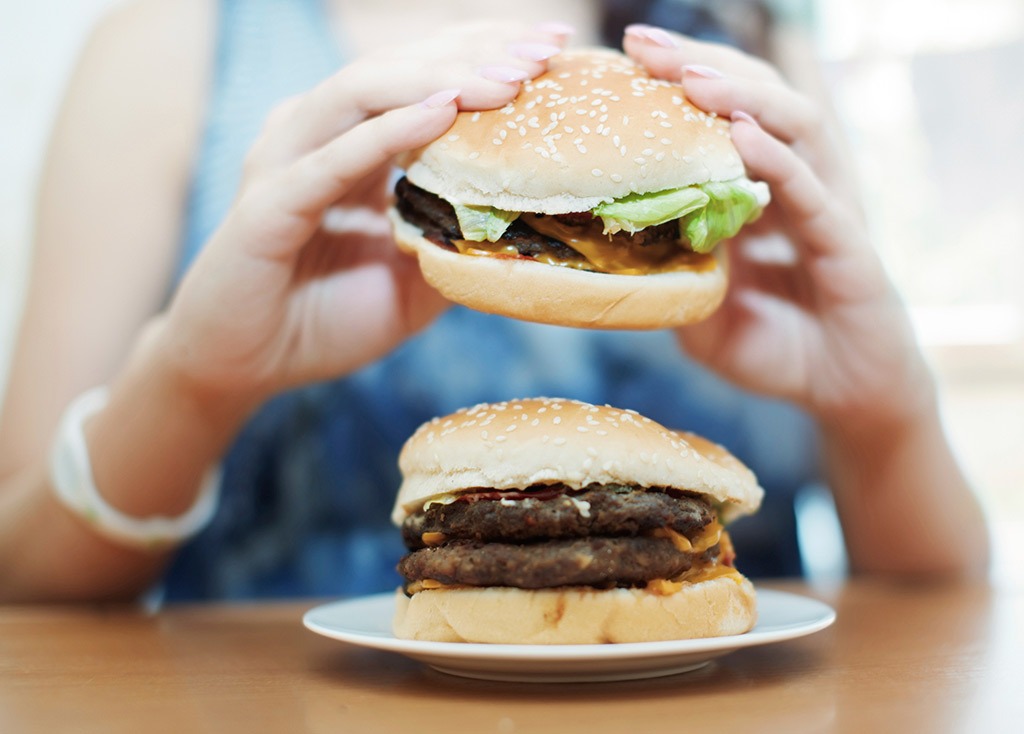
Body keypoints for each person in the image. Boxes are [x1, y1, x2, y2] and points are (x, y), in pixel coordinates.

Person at [0, 0, 989, 603]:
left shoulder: (740, 52)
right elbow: (23, 579)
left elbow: (941, 613)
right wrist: (195, 378)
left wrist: (879, 408)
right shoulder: (168, 51)